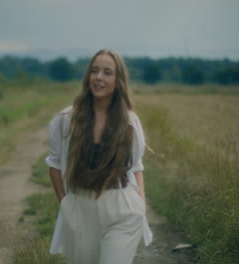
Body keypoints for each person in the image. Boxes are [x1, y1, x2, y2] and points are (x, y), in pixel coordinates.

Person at [45, 49, 153, 264]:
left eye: (107, 72)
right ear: (88, 77)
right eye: (94, 71)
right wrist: (65, 204)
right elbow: (54, 164)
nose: (99, 77)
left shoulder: (130, 122)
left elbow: (136, 166)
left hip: (121, 207)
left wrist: (141, 203)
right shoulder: (67, 120)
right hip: (80, 207)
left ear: (118, 80)